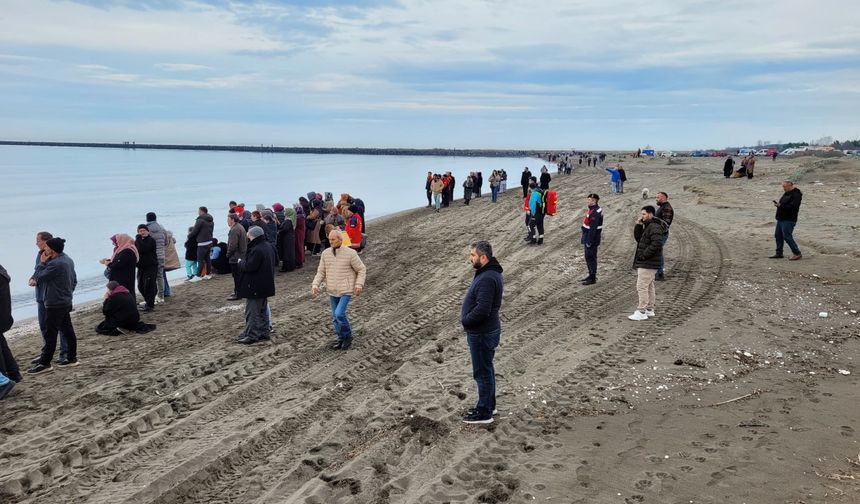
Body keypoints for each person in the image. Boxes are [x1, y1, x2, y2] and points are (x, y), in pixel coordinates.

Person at [460, 241, 504, 424]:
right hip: (484, 331)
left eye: (473, 255)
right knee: (486, 369)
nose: (470, 259)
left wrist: (466, 320)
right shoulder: (488, 273)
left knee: (482, 372)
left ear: (483, 257)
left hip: (482, 333)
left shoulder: (487, 277)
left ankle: (485, 412)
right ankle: (489, 405)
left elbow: (483, 309)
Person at [312, 229, 367, 351]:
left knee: (339, 314)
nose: (330, 242)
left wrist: (359, 285)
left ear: (340, 239)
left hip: (346, 289)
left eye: (333, 239)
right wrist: (315, 285)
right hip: (332, 289)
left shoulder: (351, 253)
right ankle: (341, 337)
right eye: (329, 239)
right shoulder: (325, 254)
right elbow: (321, 271)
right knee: (334, 317)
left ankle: (348, 336)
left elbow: (361, 269)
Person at [30, 237, 78, 372]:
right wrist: (68, 294)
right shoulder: (67, 259)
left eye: (46, 247)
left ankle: (45, 363)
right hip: (64, 300)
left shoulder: (56, 264)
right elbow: (74, 280)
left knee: (51, 333)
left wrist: (41, 263)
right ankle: (71, 358)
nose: (44, 249)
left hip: (55, 303)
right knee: (68, 330)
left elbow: (39, 277)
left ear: (52, 249)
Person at [237, 226, 277, 344]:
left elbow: (250, 266)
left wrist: (240, 263)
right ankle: (264, 332)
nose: (247, 237)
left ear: (252, 235)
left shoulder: (257, 249)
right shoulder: (269, 246)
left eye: (248, 235)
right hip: (266, 284)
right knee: (263, 310)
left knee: (252, 311)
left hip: (255, 285)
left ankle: (252, 335)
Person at [628, 206, 664, 321]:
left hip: (648, 262)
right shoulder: (649, 226)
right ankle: (649, 309)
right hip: (648, 262)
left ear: (650, 214)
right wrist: (638, 225)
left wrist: (644, 255)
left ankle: (641, 311)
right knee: (649, 286)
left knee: (642, 286)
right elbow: (639, 239)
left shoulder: (654, 227)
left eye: (643, 214)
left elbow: (657, 243)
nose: (641, 216)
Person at [1, 262, 21, 397]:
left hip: (1, 315)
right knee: (2, 344)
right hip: (4, 315)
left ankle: (3, 380)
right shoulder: (2, 273)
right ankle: (13, 374)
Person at [770, 181, 803, 260]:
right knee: (778, 236)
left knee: (787, 236)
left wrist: (780, 206)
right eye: (783, 187)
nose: (783, 188)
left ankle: (797, 253)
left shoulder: (796, 194)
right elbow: (784, 204)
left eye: (784, 187)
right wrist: (779, 205)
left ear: (790, 186)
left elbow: (793, 207)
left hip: (789, 219)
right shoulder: (787, 193)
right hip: (781, 218)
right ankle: (779, 253)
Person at [581, 193, 603, 285]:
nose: (588, 201)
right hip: (588, 236)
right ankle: (590, 275)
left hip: (591, 238)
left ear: (594, 201)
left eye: (589, 200)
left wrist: (589, 241)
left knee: (591, 257)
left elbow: (593, 229)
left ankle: (592, 277)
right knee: (588, 257)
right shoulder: (593, 210)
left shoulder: (595, 212)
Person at [134, 225, 158, 311]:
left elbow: (144, 248)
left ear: (148, 231)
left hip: (151, 266)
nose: (142, 232)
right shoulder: (138, 241)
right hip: (141, 267)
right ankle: (149, 300)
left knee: (149, 285)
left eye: (144, 230)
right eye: (140, 231)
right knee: (140, 286)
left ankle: (150, 305)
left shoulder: (151, 240)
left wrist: (138, 238)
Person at [145, 212, 167, 303]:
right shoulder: (161, 228)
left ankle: (152, 296)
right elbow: (166, 241)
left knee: (150, 277)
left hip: (151, 257)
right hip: (161, 255)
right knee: (160, 276)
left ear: (147, 219)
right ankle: (161, 296)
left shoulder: (146, 229)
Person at [188, 206, 214, 282]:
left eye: (199, 211)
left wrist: (189, 236)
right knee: (207, 259)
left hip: (202, 243)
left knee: (200, 260)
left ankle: (198, 276)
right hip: (209, 241)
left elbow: (195, 231)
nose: (198, 213)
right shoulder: (211, 220)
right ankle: (208, 274)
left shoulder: (200, 220)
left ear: (202, 211)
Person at [226, 213, 248, 300]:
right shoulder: (240, 227)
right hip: (241, 255)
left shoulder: (234, 229)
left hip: (236, 257)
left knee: (237, 276)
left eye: (228, 219)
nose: (227, 221)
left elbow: (233, 245)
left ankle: (238, 294)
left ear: (232, 220)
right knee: (240, 275)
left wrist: (228, 254)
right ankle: (238, 291)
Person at [654, 192, 674, 281]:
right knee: (657, 252)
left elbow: (666, 224)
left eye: (657, 197)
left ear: (663, 198)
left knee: (658, 252)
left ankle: (660, 273)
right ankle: (658, 272)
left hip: (661, 234)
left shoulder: (667, 208)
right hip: (658, 233)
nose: (656, 199)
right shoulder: (662, 207)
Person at [527, 181, 546, 245]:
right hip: (542, 212)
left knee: (530, 225)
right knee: (540, 225)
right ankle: (541, 240)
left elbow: (532, 204)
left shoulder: (534, 193)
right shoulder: (540, 191)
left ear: (530, 188)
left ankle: (533, 240)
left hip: (537, 213)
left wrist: (532, 213)